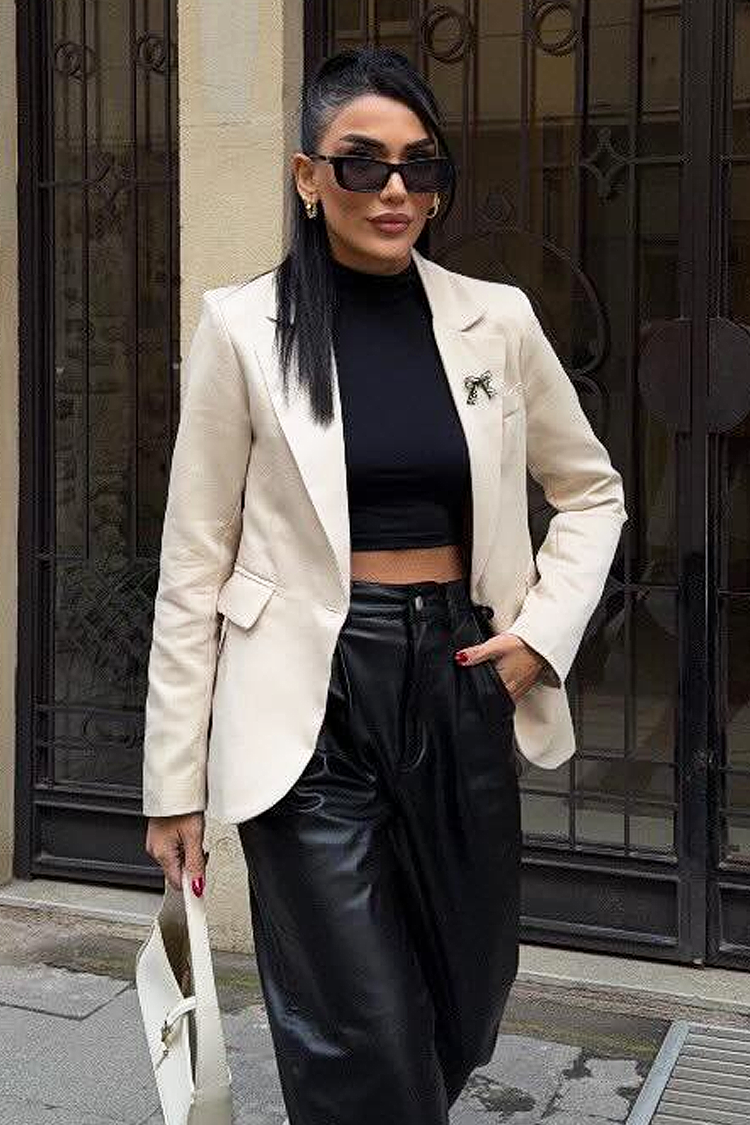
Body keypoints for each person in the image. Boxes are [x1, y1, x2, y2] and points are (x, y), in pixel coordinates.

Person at [143, 44, 627, 1125]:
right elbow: (192, 561)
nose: (395, 189)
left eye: (420, 165)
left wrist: (539, 638)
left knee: (466, 996)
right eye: (362, 163)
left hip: (460, 671)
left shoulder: (496, 320)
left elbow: (592, 493)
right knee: (360, 1026)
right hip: (307, 698)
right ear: (309, 178)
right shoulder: (243, 329)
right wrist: (172, 781)